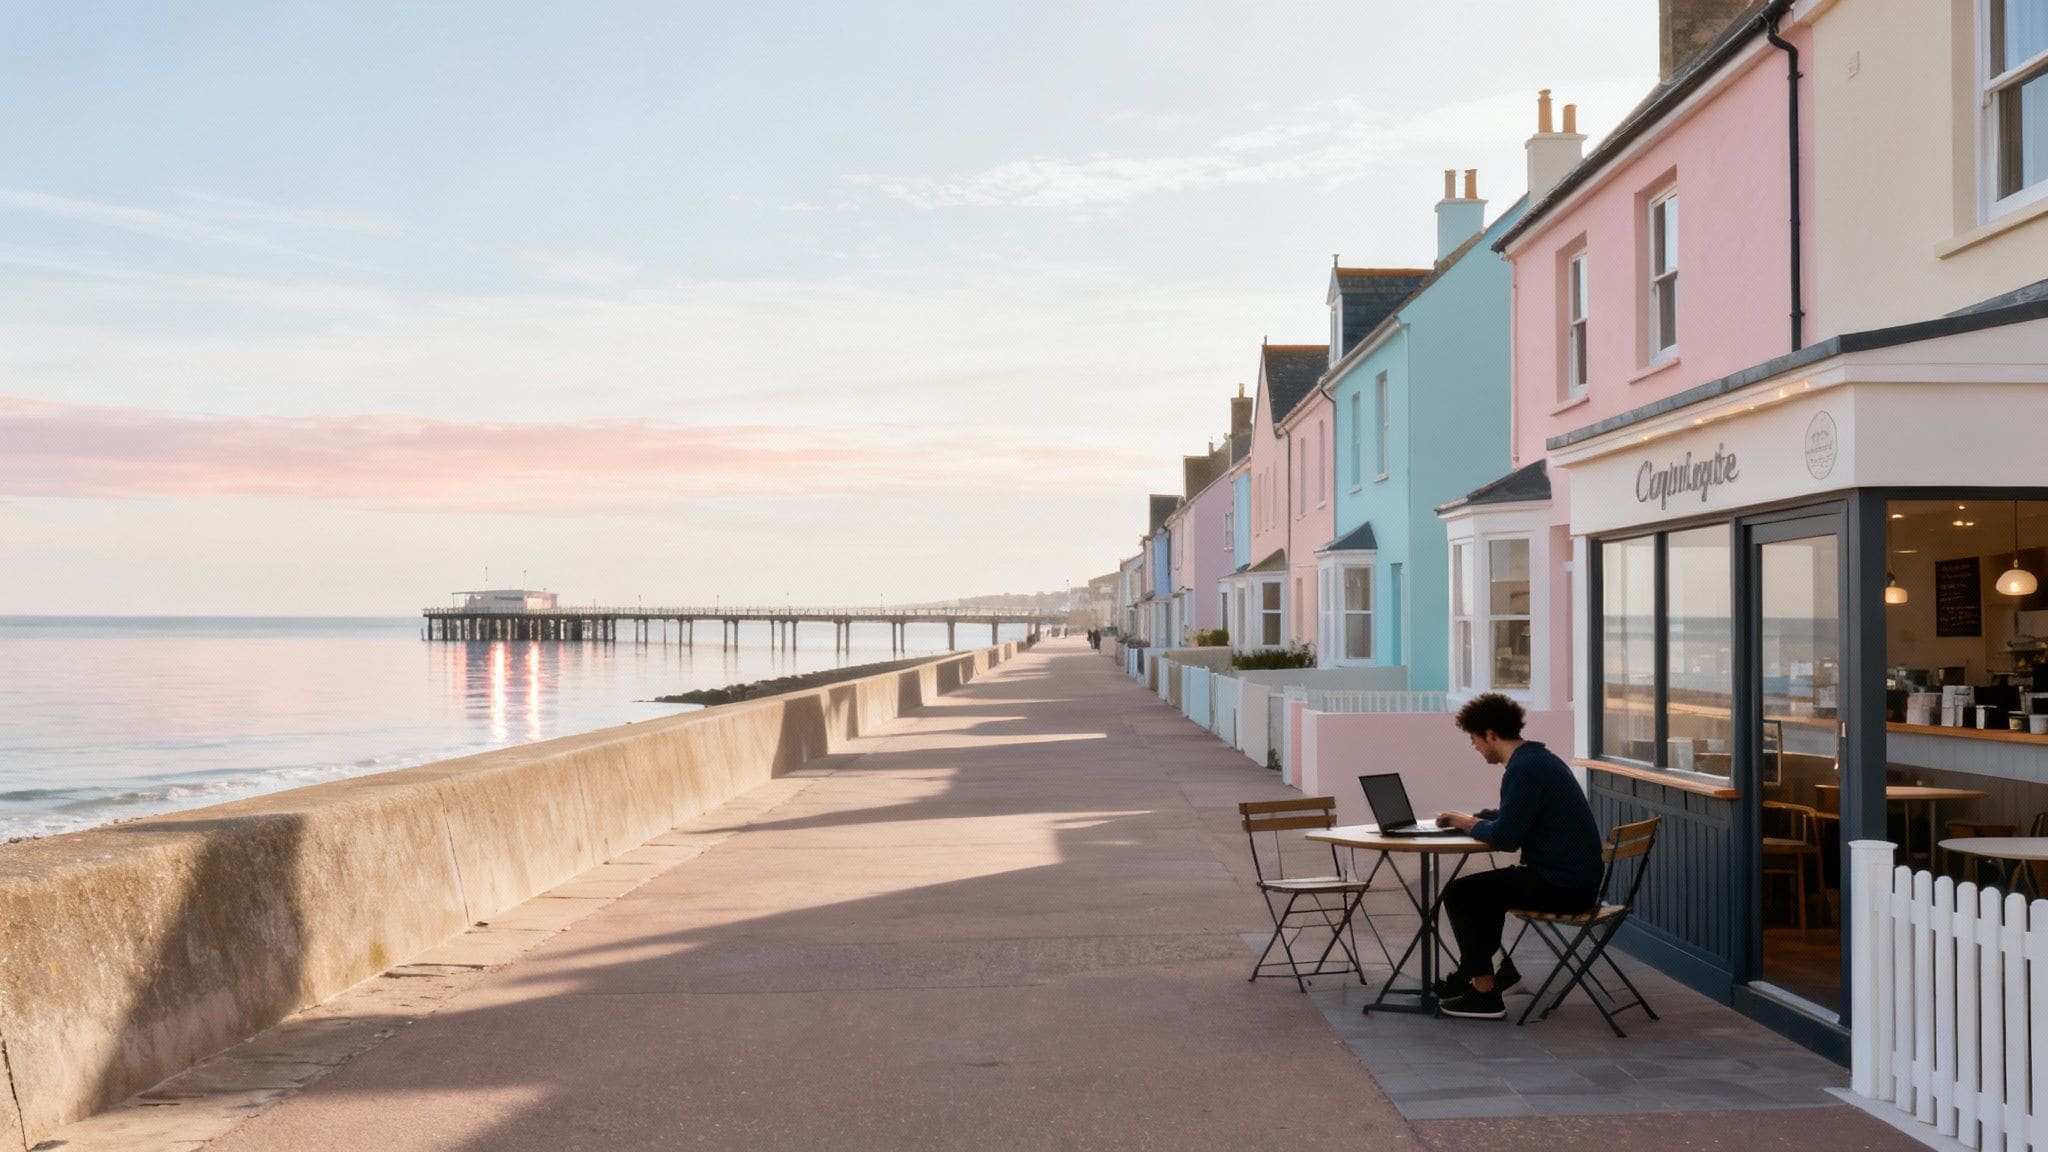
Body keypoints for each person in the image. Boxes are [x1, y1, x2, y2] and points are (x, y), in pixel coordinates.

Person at [1431, 693, 1603, 1020]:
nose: (1475, 747)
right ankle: (1494, 972)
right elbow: (1518, 815)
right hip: (1577, 882)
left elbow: (1506, 838)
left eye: (1474, 739)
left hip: (1563, 887)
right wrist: (1477, 818)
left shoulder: (1524, 769)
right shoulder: (1539, 760)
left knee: (1460, 893)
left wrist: (1468, 823)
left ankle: (1483, 993)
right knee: (1488, 893)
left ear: (1491, 734)